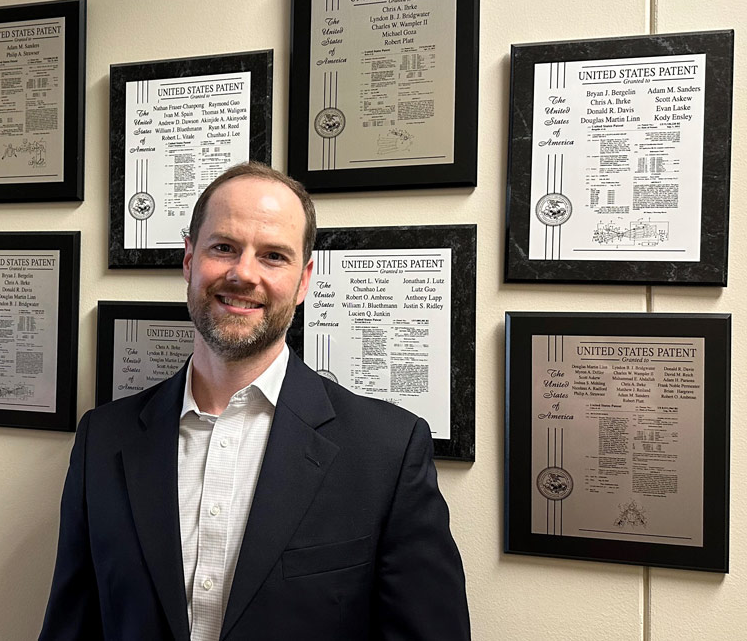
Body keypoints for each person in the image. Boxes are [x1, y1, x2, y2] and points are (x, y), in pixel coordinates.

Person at [40, 162, 469, 640]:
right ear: (189, 259)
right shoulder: (103, 439)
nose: (243, 274)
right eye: (223, 247)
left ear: (304, 281)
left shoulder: (387, 451)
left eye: (273, 256)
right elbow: (71, 627)